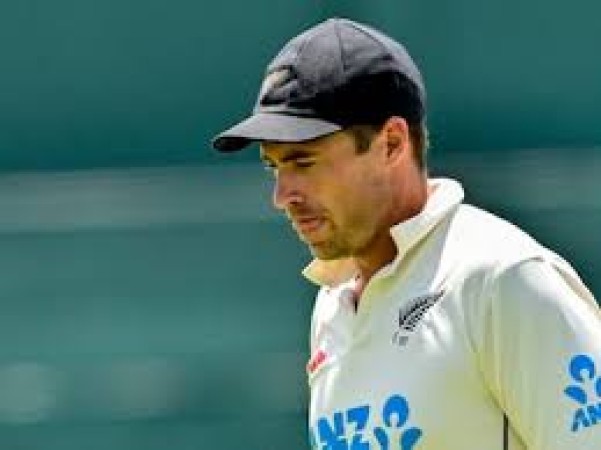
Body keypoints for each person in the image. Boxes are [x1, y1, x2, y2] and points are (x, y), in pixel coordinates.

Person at [212, 18, 601, 450]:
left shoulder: (504, 278)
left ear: (392, 143)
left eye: (303, 162)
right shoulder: (332, 305)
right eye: (274, 167)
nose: (282, 196)